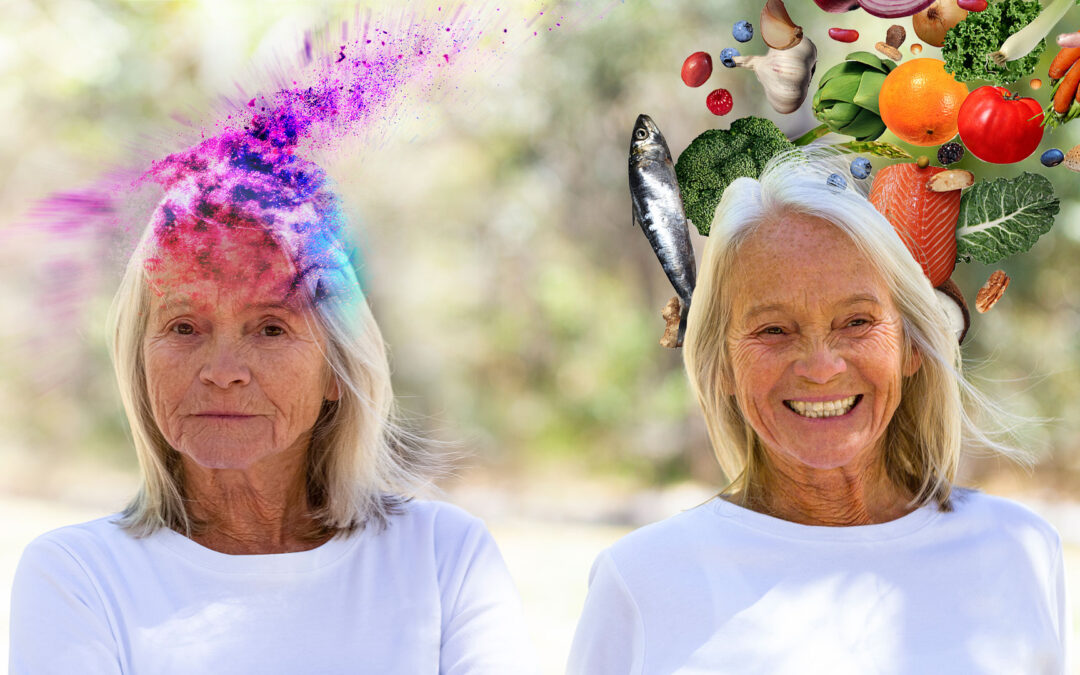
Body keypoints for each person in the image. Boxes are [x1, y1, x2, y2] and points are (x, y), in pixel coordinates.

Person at [10, 133, 534, 674]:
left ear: (337, 367)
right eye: (184, 326)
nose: (222, 373)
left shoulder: (443, 558)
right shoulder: (79, 576)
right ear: (140, 359)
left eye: (270, 328)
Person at [568, 149, 1067, 674]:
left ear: (912, 347)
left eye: (856, 321)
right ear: (723, 369)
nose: (821, 368)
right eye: (773, 330)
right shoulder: (642, 581)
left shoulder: (1020, 550)